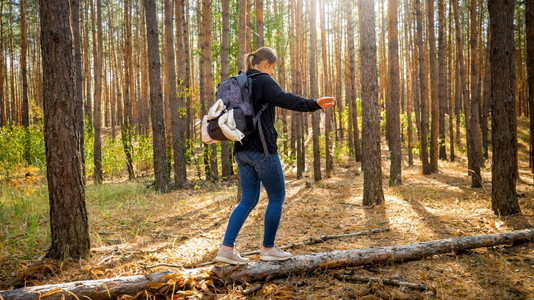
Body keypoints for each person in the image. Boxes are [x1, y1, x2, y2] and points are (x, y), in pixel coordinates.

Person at [215, 47, 335, 265]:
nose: (273, 73)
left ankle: (226, 249)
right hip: (263, 150)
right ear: (267, 63)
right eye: (273, 68)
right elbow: (287, 100)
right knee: (277, 197)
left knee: (248, 199)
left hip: (241, 150)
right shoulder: (263, 80)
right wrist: (315, 104)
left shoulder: (239, 82)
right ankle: (268, 248)